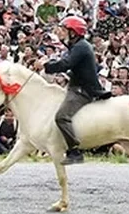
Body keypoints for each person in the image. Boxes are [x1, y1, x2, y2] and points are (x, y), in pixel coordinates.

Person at [37, 15, 105, 165]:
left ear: (73, 33)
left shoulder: (81, 47)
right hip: (75, 87)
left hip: (82, 91)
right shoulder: (77, 46)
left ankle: (75, 151)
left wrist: (46, 66)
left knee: (61, 117)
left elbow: (65, 64)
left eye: (63, 30)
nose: (60, 32)